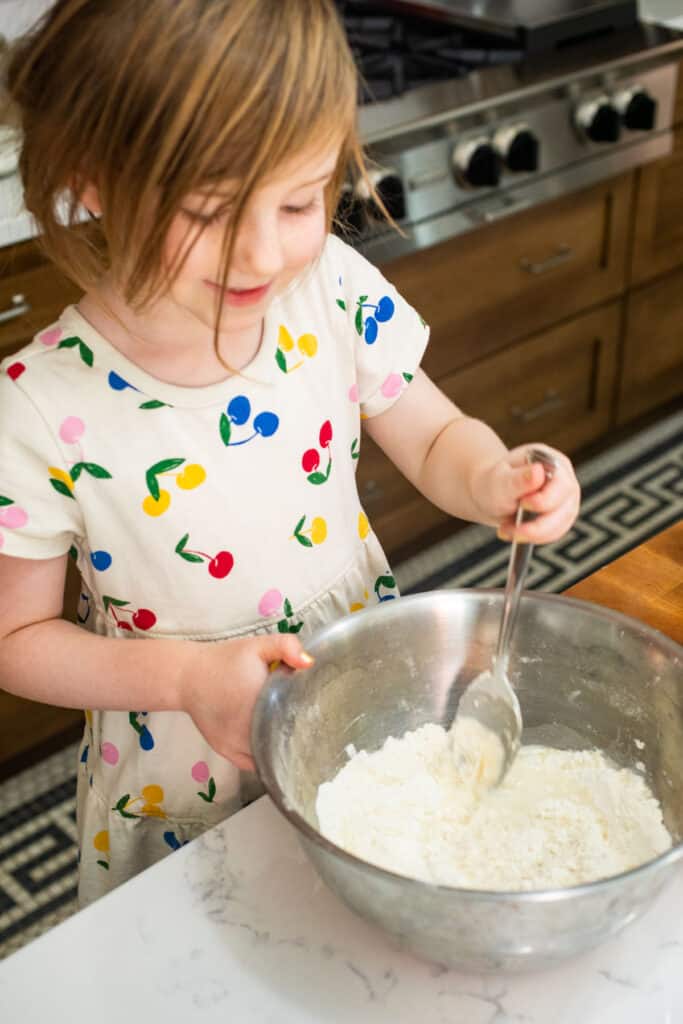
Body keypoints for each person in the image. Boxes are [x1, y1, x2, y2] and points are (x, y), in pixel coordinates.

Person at [0, 0, 580, 906]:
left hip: (364, 726)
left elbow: (431, 435)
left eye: (302, 199)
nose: (265, 251)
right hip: (183, 781)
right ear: (96, 179)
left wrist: (500, 475)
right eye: (209, 211)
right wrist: (188, 677)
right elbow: (17, 640)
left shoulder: (330, 292)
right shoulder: (36, 407)